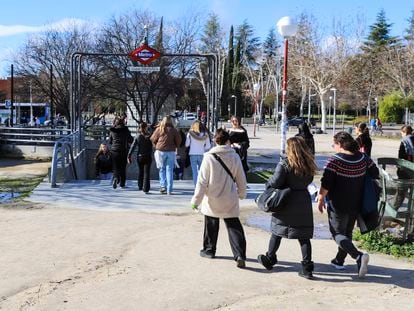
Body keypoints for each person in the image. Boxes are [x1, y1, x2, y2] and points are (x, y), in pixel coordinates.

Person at [317, 131, 379, 278]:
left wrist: (320, 198)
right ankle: (339, 261)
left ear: (339, 144)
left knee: (337, 234)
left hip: (337, 204)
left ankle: (358, 256)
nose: (334, 147)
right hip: (357, 203)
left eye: (334, 144)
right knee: (347, 233)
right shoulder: (363, 158)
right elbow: (375, 172)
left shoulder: (334, 161)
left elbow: (326, 182)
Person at [257, 137, 317, 279]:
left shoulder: (284, 164)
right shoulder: (308, 165)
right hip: (303, 200)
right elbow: (309, 180)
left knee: (277, 230)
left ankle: (270, 258)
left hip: (285, 199)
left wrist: (268, 183)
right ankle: (307, 267)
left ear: (290, 149)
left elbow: (276, 182)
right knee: (304, 235)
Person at [191, 128, 247, 268]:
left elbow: (202, 182)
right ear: (228, 141)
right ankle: (239, 254)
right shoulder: (234, 156)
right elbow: (241, 178)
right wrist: (242, 193)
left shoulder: (209, 157)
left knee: (211, 223)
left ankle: (209, 250)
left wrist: (195, 201)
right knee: (234, 226)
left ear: (215, 141)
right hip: (229, 196)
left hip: (212, 197)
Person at [150, 116, 181, 194]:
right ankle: (169, 189)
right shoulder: (174, 130)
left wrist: (155, 145)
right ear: (171, 121)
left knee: (162, 169)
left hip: (160, 151)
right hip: (171, 152)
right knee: (169, 170)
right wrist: (175, 146)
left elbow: (152, 138)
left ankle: (163, 186)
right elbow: (179, 140)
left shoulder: (159, 129)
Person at [128, 122, 153, 193]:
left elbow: (133, 146)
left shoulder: (137, 136)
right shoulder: (149, 136)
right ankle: (146, 188)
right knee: (147, 173)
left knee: (141, 171)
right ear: (146, 128)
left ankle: (140, 186)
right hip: (148, 156)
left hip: (140, 156)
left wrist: (129, 155)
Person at [109, 117, 133, 189]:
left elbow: (110, 141)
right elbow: (130, 140)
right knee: (122, 167)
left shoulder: (112, 130)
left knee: (115, 167)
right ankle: (122, 184)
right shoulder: (125, 130)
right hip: (123, 150)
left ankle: (116, 178)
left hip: (114, 151)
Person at [185, 120, 211, 185]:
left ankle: (196, 186)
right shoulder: (205, 134)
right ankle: (202, 185)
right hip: (202, 154)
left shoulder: (190, 134)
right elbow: (208, 146)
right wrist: (202, 148)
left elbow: (187, 145)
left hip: (192, 154)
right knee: (202, 171)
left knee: (194, 172)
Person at [394, 125, 414, 208]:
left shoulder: (404, 141)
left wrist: (399, 170)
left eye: (401, 133)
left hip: (406, 170)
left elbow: (401, 158)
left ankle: (394, 210)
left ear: (404, 132)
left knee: (400, 192)